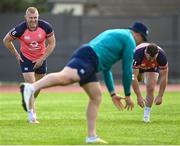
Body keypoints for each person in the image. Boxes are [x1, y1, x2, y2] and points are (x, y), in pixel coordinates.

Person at [20, 22, 148, 143]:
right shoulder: (129, 40)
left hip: (88, 56)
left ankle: (91, 137)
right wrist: (128, 95)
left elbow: (107, 69)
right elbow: (127, 70)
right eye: (142, 39)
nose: (140, 43)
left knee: (96, 96)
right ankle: (31, 87)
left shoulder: (120, 34)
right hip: (89, 57)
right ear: (138, 34)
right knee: (65, 78)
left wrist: (113, 94)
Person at [3, 7, 56, 123]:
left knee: (38, 86)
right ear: (26, 18)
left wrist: (42, 59)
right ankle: (32, 116)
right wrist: (17, 55)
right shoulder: (20, 29)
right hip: (26, 59)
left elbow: (52, 44)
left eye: (35, 17)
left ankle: (28, 98)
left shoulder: (46, 27)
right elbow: (6, 40)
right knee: (31, 85)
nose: (33, 20)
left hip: (41, 58)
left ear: (38, 17)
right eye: (31, 18)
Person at [132, 43, 168, 123]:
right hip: (140, 65)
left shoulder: (162, 57)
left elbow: (164, 78)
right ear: (145, 52)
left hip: (153, 67)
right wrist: (139, 96)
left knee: (151, 88)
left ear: (157, 53)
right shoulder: (138, 54)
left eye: (153, 58)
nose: (151, 59)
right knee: (138, 78)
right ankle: (142, 75)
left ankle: (146, 116)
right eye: (149, 57)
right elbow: (133, 77)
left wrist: (160, 96)